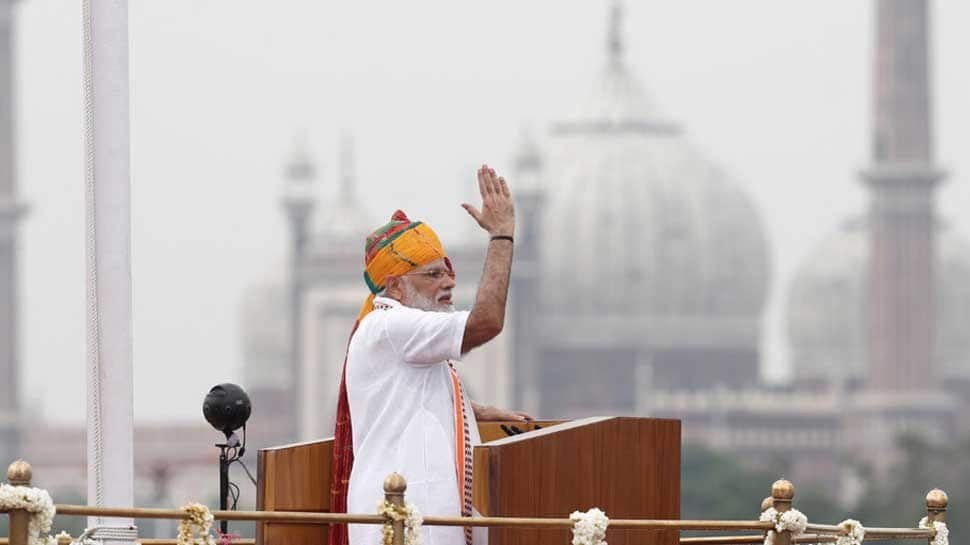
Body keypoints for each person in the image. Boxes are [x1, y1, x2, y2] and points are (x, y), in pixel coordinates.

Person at [329, 164, 531, 545]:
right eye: (434, 275)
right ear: (395, 285)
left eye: (448, 273)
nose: (450, 282)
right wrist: (502, 235)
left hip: (421, 514)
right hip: (401, 518)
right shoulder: (391, 325)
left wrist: (472, 411)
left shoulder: (397, 332)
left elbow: (410, 397)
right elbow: (487, 321)